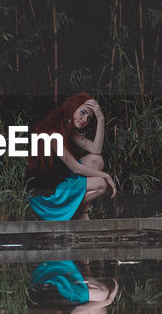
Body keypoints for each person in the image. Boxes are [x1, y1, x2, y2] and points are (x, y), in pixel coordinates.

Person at [25, 92, 117, 221]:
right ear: (72, 107)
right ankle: (77, 213)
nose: (85, 120)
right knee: (101, 184)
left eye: (89, 118)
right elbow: (76, 168)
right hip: (45, 199)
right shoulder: (53, 133)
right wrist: (106, 176)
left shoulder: (68, 129)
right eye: (83, 112)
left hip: (59, 183)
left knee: (96, 160)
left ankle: (79, 212)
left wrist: (100, 118)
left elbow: (96, 149)